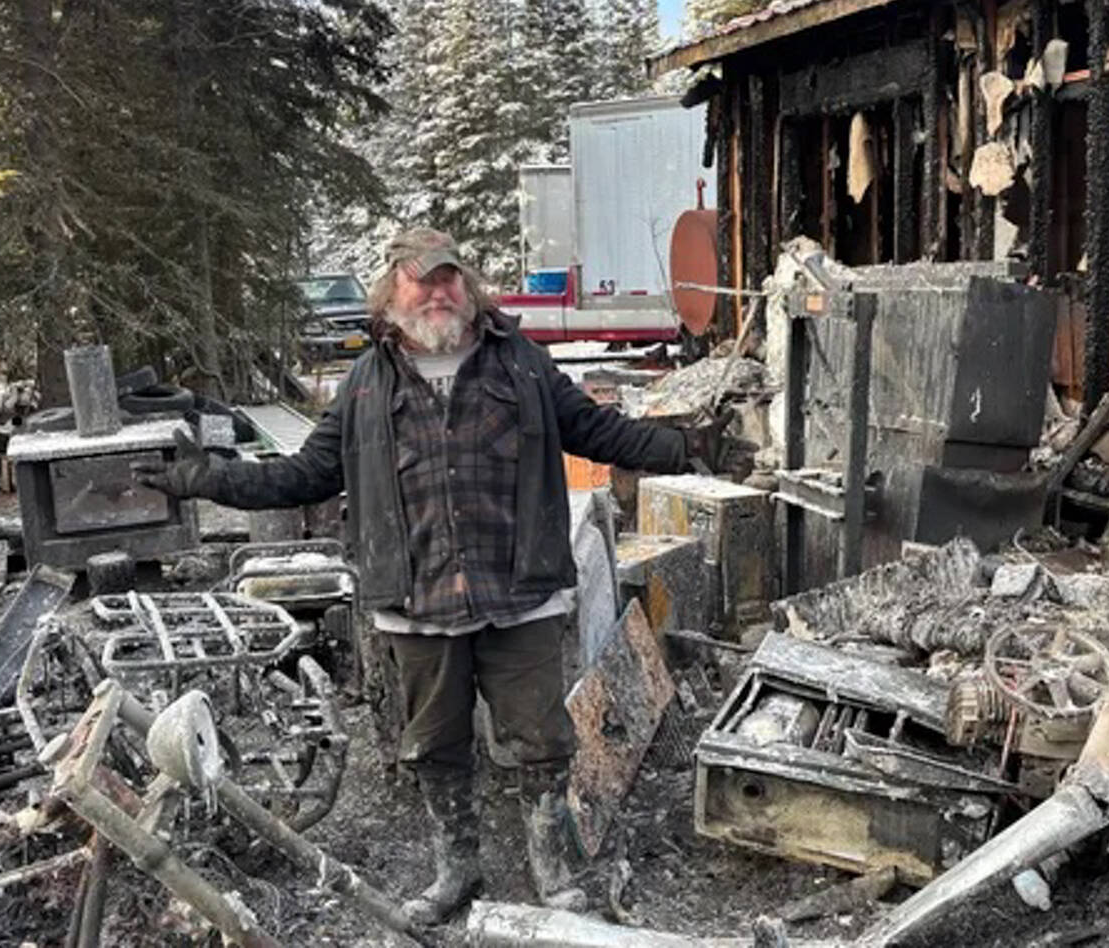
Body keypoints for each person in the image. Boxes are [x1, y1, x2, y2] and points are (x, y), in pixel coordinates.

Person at [135, 228, 696, 924]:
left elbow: (600, 433)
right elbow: (305, 475)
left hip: (518, 595)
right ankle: (455, 873)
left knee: (543, 745)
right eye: (420, 279)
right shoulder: (365, 383)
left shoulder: (521, 363)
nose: (437, 292)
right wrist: (203, 479)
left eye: (448, 277)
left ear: (469, 285)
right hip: (416, 603)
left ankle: (557, 876)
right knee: (435, 746)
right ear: (391, 290)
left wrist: (683, 445)